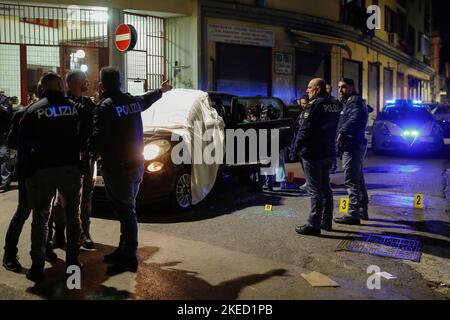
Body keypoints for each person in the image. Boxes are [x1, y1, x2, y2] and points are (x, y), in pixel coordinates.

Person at [92, 66, 172, 274]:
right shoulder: (131, 101)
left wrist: (89, 153)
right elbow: (147, 99)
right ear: (120, 82)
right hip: (136, 164)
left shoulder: (105, 107)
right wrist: (161, 91)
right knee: (126, 209)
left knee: (126, 211)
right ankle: (123, 249)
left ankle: (129, 256)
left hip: (118, 167)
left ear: (101, 85)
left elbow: (99, 138)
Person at [19, 72, 88, 283]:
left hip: (42, 171)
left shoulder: (32, 110)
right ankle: (73, 262)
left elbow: (22, 146)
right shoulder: (77, 108)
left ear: (42, 88)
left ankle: (37, 267)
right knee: (73, 216)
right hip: (69, 170)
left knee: (40, 218)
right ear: (60, 85)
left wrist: (27, 173)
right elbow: (86, 137)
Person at [2, 82, 58, 273]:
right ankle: (10, 253)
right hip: (31, 170)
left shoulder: (48, 112)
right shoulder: (26, 113)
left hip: (42, 170)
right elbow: (12, 143)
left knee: (41, 213)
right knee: (26, 212)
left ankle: (42, 248)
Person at [49, 70, 97, 250]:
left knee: (85, 199)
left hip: (85, 159)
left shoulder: (88, 104)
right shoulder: (63, 104)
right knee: (61, 200)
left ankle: (84, 232)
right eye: (85, 80)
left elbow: (95, 127)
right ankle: (59, 233)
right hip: (66, 160)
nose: (88, 83)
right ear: (76, 83)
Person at [293, 78, 341, 236]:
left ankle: (313, 225)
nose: (307, 91)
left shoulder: (315, 104)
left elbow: (305, 128)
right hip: (327, 151)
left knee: (315, 190)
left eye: (309, 88)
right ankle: (326, 222)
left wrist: (296, 147)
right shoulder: (334, 103)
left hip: (313, 152)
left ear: (317, 89)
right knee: (326, 188)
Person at [334, 78, 369, 225]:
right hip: (354, 145)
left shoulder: (354, 101)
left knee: (351, 180)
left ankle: (353, 213)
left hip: (353, 145)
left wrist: (341, 132)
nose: (340, 90)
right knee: (358, 179)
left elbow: (355, 119)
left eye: (343, 87)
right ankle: (362, 210)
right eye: (339, 87)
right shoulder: (350, 101)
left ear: (351, 87)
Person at [289, 95, 310, 193]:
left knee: (308, 165)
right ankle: (308, 182)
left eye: (305, 103)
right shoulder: (302, 113)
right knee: (303, 164)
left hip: (307, 143)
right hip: (300, 142)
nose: (303, 105)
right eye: (301, 103)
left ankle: (310, 184)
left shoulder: (310, 113)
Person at [0, 90, 13, 192]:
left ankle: (5, 182)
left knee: (4, 156)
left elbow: (7, 113)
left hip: (3, 133)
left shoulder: (5, 100)